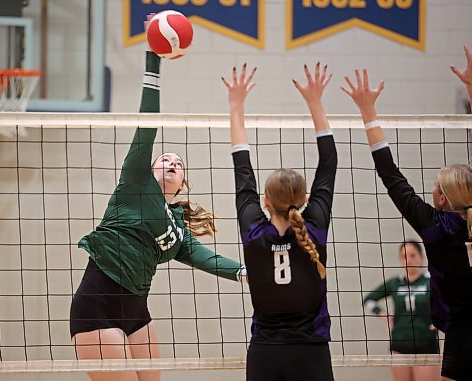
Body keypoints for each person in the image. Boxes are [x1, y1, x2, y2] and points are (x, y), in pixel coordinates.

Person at [69, 49, 246, 381]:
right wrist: (154, 62)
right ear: (150, 169)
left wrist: (250, 273)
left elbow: (209, 260)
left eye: (179, 165)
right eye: (165, 159)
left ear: (180, 187)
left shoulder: (177, 230)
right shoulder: (135, 184)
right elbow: (147, 125)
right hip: (97, 308)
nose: (172, 164)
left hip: (137, 312)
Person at [341, 60, 472, 380]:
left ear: (441, 198)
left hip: (461, 334)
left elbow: (391, 175)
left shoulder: (437, 227)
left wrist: (368, 112)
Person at [222, 62, 337, 381]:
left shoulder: (254, 231)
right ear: (303, 200)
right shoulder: (313, 228)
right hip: (311, 351)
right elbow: (329, 164)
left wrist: (236, 105)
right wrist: (316, 101)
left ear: (265, 202)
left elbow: (241, 168)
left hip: (266, 353)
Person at [363, 241, 440, 381]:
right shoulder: (395, 283)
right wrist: (384, 315)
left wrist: (441, 321)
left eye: (412, 255)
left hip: (425, 346)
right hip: (399, 345)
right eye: (404, 256)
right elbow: (368, 299)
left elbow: (451, 302)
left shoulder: (431, 281)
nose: (408, 260)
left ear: (421, 257)